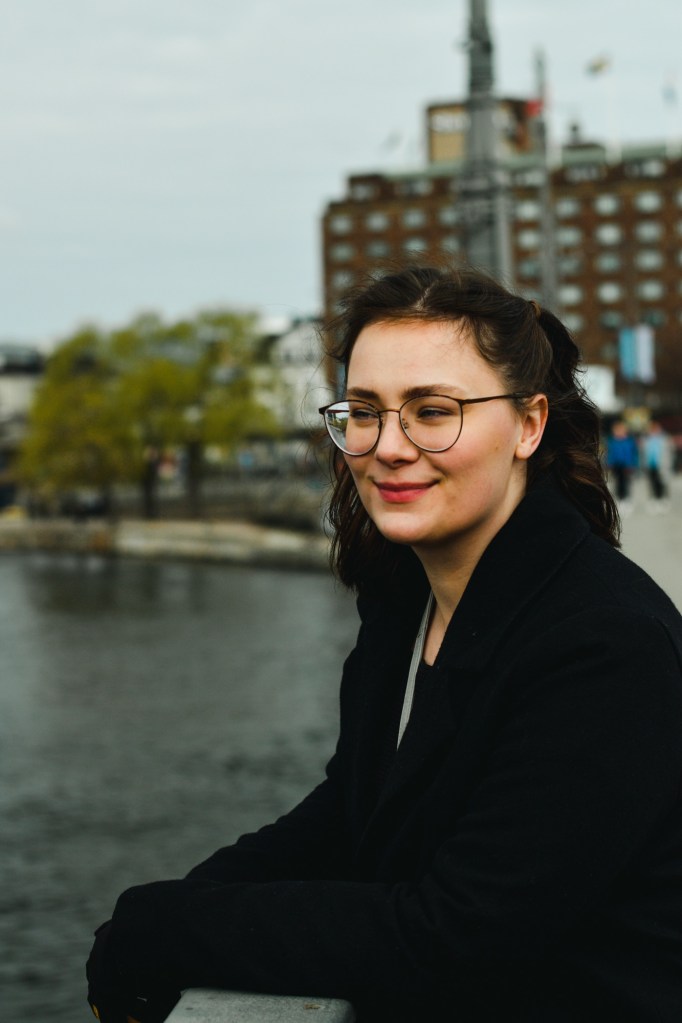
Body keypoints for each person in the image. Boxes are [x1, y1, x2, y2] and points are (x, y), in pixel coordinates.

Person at [86, 266, 682, 1023]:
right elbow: (354, 809)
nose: (388, 447)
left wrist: (172, 929)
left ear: (529, 425)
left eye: (433, 412)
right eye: (364, 412)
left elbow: (459, 935)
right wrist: (172, 906)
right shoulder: (406, 598)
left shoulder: (604, 645)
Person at [605, 419, 638, 505]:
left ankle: (626, 499)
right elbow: (610, 453)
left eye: (621, 430)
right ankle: (619, 498)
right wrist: (609, 463)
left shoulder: (629, 441)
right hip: (616, 465)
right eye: (617, 430)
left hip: (627, 466)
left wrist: (632, 464)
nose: (618, 432)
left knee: (625, 483)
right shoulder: (612, 441)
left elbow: (633, 454)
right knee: (617, 482)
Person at [641, 419, 669, 510]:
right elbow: (642, 453)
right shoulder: (645, 440)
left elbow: (668, 453)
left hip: (661, 465)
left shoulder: (664, 439)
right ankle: (653, 500)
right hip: (650, 465)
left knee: (661, 483)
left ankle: (662, 500)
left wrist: (667, 464)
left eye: (655, 429)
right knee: (651, 483)